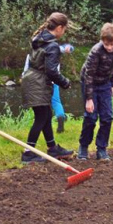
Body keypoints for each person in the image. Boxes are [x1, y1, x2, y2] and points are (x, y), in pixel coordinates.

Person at [19, 12, 75, 163]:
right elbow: (51, 71)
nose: (63, 33)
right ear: (59, 28)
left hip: (31, 80)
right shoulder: (52, 46)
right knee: (41, 117)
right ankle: (28, 153)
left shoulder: (39, 39)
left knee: (46, 114)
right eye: (64, 29)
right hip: (38, 83)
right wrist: (65, 82)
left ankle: (52, 148)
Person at [77, 23, 113, 161]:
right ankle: (83, 147)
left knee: (107, 117)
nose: (109, 47)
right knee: (90, 117)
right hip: (89, 83)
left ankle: (102, 149)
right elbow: (88, 76)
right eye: (106, 44)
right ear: (101, 40)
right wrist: (89, 98)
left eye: (112, 44)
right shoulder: (95, 51)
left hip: (105, 84)